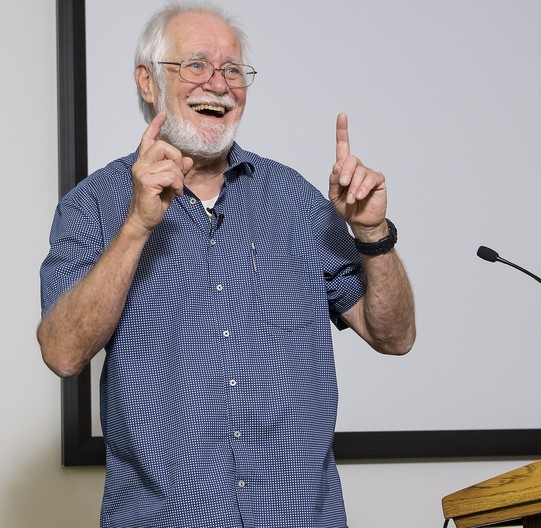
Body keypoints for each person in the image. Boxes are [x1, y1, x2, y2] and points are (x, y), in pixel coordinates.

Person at [37, 3, 415, 527]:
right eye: (195, 64)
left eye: (233, 69)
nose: (219, 83)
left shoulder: (299, 202)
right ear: (148, 83)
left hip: (299, 515)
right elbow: (61, 353)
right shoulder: (94, 205)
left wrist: (372, 233)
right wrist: (137, 226)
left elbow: (392, 336)